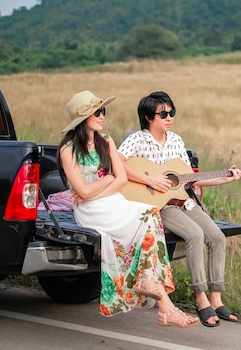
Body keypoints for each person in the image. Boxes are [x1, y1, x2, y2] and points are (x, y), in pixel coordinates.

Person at [57, 90, 199, 328]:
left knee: (151, 214)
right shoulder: (68, 149)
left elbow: (121, 179)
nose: (102, 115)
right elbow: (84, 193)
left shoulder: (107, 141)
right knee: (148, 216)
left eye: (103, 110)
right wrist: (106, 180)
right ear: (83, 119)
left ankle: (158, 297)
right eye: (97, 111)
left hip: (111, 200)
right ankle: (163, 304)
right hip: (91, 210)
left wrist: (98, 185)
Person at [118, 91, 241, 328]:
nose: (169, 117)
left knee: (217, 237)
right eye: (163, 113)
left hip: (183, 200)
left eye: (171, 112)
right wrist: (151, 181)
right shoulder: (138, 139)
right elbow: (116, 162)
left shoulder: (176, 140)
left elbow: (189, 179)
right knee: (194, 235)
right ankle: (200, 297)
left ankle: (216, 297)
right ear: (148, 117)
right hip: (160, 205)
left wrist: (226, 178)